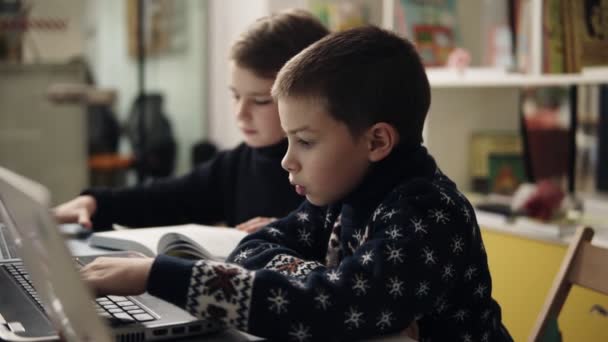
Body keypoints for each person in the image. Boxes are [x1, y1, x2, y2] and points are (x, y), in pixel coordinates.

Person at [81, 26, 513, 341]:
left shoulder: (425, 215)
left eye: (305, 141)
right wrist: (319, 275)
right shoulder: (343, 192)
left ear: (377, 141)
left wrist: (157, 275)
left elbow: (323, 310)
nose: (287, 160)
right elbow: (253, 247)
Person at [53, 10, 329, 233]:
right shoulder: (235, 165)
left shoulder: (337, 169)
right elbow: (165, 198)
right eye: (234, 96)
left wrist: (295, 233)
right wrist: (95, 202)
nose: (240, 113)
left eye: (259, 101)